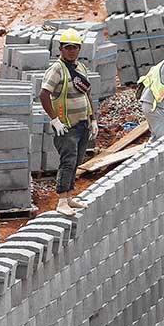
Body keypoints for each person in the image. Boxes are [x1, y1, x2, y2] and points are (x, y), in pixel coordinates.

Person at [39, 28, 98, 216]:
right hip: (66, 127)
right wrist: (54, 119)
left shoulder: (80, 68)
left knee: (77, 161)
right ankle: (62, 200)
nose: (72, 51)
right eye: (68, 47)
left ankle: (69, 195)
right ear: (61, 49)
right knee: (68, 161)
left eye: (75, 48)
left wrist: (93, 119)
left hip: (82, 124)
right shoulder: (57, 69)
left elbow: (87, 93)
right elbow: (43, 94)